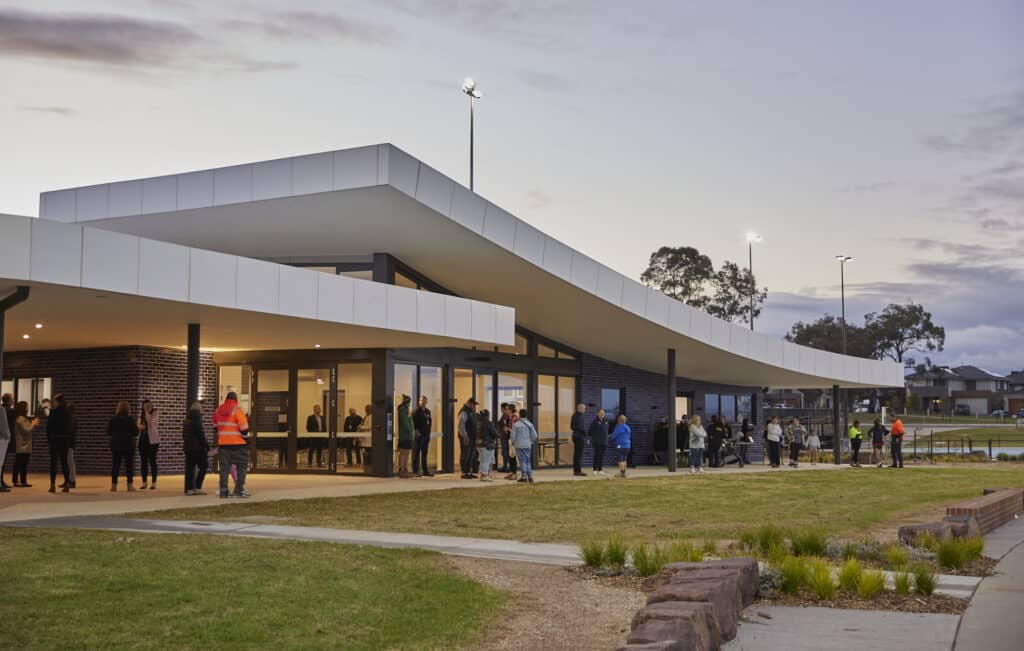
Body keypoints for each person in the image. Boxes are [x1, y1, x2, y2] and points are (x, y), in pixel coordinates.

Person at [215, 391, 251, 498]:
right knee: (242, 467)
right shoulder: (237, 410)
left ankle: (223, 491)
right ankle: (239, 490)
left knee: (224, 469)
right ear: (235, 400)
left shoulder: (218, 410)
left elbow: (215, 427)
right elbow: (244, 429)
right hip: (238, 444)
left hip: (223, 445)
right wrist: (246, 440)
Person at [108, 401, 139, 491]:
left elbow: (108, 431)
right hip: (128, 445)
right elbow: (135, 432)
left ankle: (114, 485)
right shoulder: (131, 419)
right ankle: (130, 485)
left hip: (116, 445)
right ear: (128, 409)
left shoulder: (113, 419)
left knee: (115, 465)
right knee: (129, 466)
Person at [46, 394, 73, 493]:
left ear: (57, 401)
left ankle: (52, 485)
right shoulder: (67, 413)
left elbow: (48, 427)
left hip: (54, 439)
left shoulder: (53, 412)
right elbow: (70, 427)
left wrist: (49, 438)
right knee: (64, 462)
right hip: (64, 439)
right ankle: (67, 484)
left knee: (53, 462)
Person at [183, 401, 210, 495]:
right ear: (199, 409)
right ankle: (198, 487)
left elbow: (184, 435)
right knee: (204, 466)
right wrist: (206, 446)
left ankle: (189, 489)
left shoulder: (186, 420)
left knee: (189, 469)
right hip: (198, 449)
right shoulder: (197, 419)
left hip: (188, 448)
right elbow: (200, 435)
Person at [12, 402, 37, 487]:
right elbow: (26, 430)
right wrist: (33, 424)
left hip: (25, 444)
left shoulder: (23, 418)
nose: (28, 408)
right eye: (27, 406)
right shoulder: (20, 419)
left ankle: (23, 481)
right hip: (22, 444)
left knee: (24, 464)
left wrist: (32, 424)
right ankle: (16, 481)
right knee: (19, 463)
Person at [511, 408, 538, 483]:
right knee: (528, 461)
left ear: (519, 415)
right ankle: (530, 477)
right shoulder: (530, 424)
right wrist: (530, 441)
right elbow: (535, 436)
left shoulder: (516, 425)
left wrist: (513, 443)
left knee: (522, 461)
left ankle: (523, 477)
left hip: (519, 445)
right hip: (527, 445)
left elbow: (512, 436)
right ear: (526, 415)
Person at [458, 398, 479, 479]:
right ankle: (464, 472)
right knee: (465, 454)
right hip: (466, 437)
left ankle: (468, 471)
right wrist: (464, 436)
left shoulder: (471, 412)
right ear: (469, 403)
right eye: (474, 405)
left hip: (472, 437)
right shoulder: (464, 412)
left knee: (471, 455)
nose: (474, 406)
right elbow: (461, 425)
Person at [412, 396, 433, 477]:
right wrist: (417, 432)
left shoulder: (427, 411)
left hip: (426, 435)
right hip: (419, 436)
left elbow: (429, 422)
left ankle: (425, 471)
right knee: (416, 453)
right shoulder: (416, 411)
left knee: (424, 453)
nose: (422, 402)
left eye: (424, 400)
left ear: (426, 402)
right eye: (421, 400)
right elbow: (413, 423)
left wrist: (429, 433)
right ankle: (415, 471)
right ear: (419, 401)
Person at [478, 409, 499, 482]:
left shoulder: (479, 423)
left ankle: (482, 475)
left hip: (480, 444)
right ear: (488, 415)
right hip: (487, 444)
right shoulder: (488, 423)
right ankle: (485, 475)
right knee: (486, 461)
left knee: (482, 460)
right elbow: (494, 433)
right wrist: (498, 435)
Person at [396, 394, 414, 478]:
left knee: (407, 453)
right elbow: (405, 422)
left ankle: (405, 469)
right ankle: (401, 470)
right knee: (403, 453)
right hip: (405, 435)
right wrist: (410, 431)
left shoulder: (406, 409)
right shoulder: (403, 410)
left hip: (408, 436)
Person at [499, 402, 518, 478]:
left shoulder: (514, 418)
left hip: (513, 440)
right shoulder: (509, 418)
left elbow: (515, 430)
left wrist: (508, 429)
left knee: (512, 456)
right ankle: (511, 472)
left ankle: (514, 473)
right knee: (510, 456)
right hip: (509, 439)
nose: (505, 411)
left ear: (510, 410)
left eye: (506, 409)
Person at [588, 408, 609, 475]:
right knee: (597, 456)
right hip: (597, 442)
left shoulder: (606, 422)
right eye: (601, 413)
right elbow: (589, 431)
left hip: (604, 442)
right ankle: (594, 469)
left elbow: (607, 431)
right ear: (598, 414)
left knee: (601, 456)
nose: (602, 414)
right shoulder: (594, 422)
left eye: (603, 413)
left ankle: (600, 470)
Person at [63, 400, 79, 489]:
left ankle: (72, 480)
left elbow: (69, 430)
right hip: (70, 441)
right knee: (69, 461)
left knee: (69, 461)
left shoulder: (71, 418)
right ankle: (68, 480)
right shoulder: (72, 418)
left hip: (68, 442)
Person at [610, 414, 631, 479]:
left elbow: (614, 436)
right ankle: (624, 472)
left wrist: (610, 437)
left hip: (620, 445)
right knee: (624, 459)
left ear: (619, 420)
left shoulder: (619, 427)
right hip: (627, 445)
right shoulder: (627, 427)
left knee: (620, 459)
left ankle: (622, 473)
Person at [570, 402, 588, 477]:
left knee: (576, 454)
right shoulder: (580, 416)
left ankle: (576, 470)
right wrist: (585, 434)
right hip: (579, 437)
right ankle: (578, 471)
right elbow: (581, 428)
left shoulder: (574, 415)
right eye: (584, 408)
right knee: (579, 455)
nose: (585, 410)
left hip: (575, 436)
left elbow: (571, 426)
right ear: (579, 408)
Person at [2, 393, 14, 489]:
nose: (13, 401)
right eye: (12, 399)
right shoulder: (7, 411)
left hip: (4, 438)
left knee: (2, 462)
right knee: (2, 462)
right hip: (4, 439)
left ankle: (1, 481)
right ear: (8, 400)